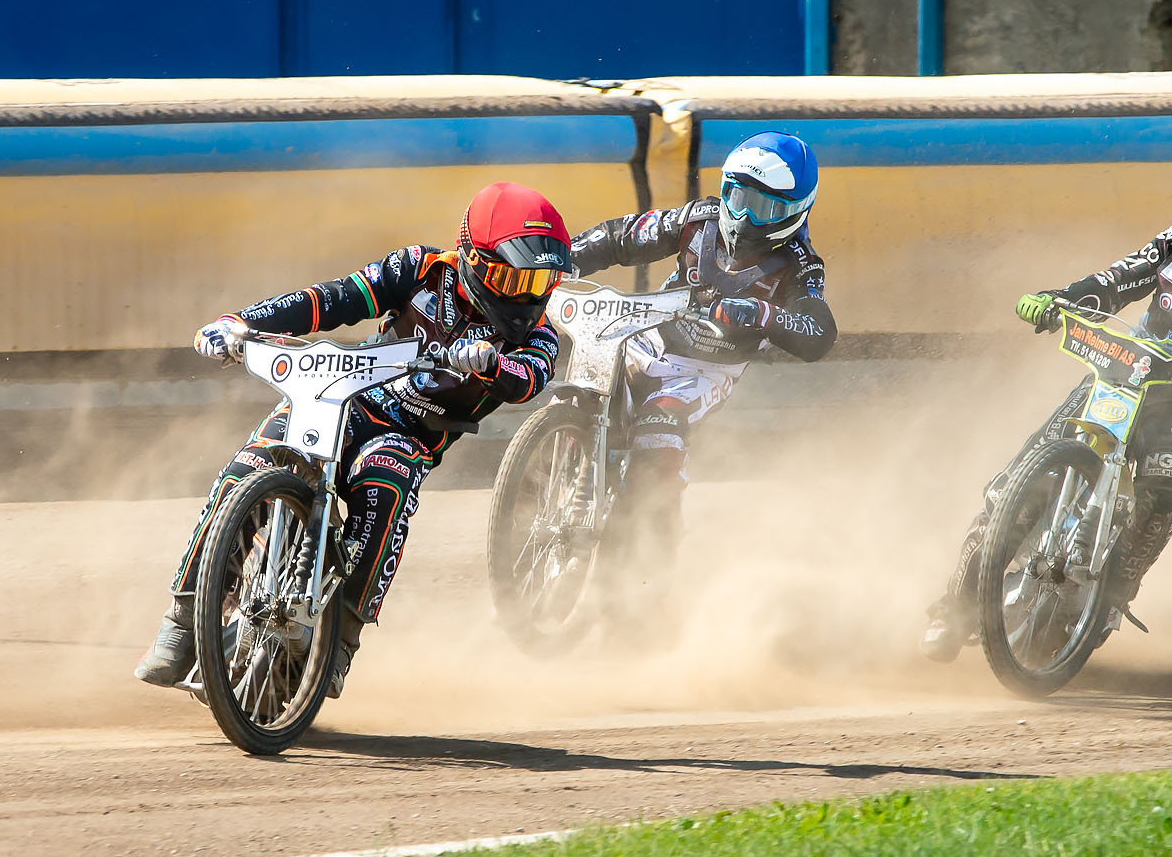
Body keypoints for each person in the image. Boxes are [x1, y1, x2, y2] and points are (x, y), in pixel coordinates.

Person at [133, 182, 575, 697]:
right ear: (473, 256)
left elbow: (529, 378)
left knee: (387, 483)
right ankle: (183, 618)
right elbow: (333, 298)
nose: (525, 293)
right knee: (247, 467)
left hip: (407, 435)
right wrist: (242, 322)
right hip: (342, 395)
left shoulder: (539, 334)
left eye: (539, 278)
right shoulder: (421, 268)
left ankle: (340, 640)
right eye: (510, 275)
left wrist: (494, 363)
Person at [921, 152, 1172, 663]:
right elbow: (1112, 282)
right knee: (1015, 483)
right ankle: (957, 606)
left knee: (1163, 489)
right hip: (1121, 370)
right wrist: (1059, 299)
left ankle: (1109, 601)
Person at [565, 131, 836, 572]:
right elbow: (622, 237)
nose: (744, 217)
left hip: (705, 371)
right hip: (646, 335)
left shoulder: (800, 264)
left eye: (764, 207)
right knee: (573, 393)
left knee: (656, 438)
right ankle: (539, 490)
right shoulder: (698, 219)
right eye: (738, 195)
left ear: (796, 211)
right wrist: (564, 260)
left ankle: (649, 570)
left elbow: (819, 333)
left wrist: (760, 314)